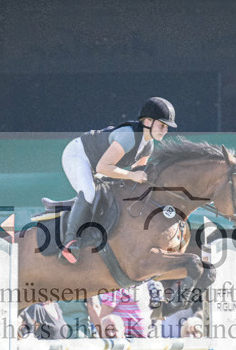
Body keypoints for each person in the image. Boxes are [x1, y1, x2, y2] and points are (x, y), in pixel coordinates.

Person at [59, 97, 177, 261]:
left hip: (96, 165)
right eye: (162, 125)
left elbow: (137, 176)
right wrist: (132, 175)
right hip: (79, 155)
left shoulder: (148, 146)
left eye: (166, 127)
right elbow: (103, 168)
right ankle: (70, 242)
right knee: (89, 193)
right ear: (148, 121)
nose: (165, 130)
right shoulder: (128, 136)